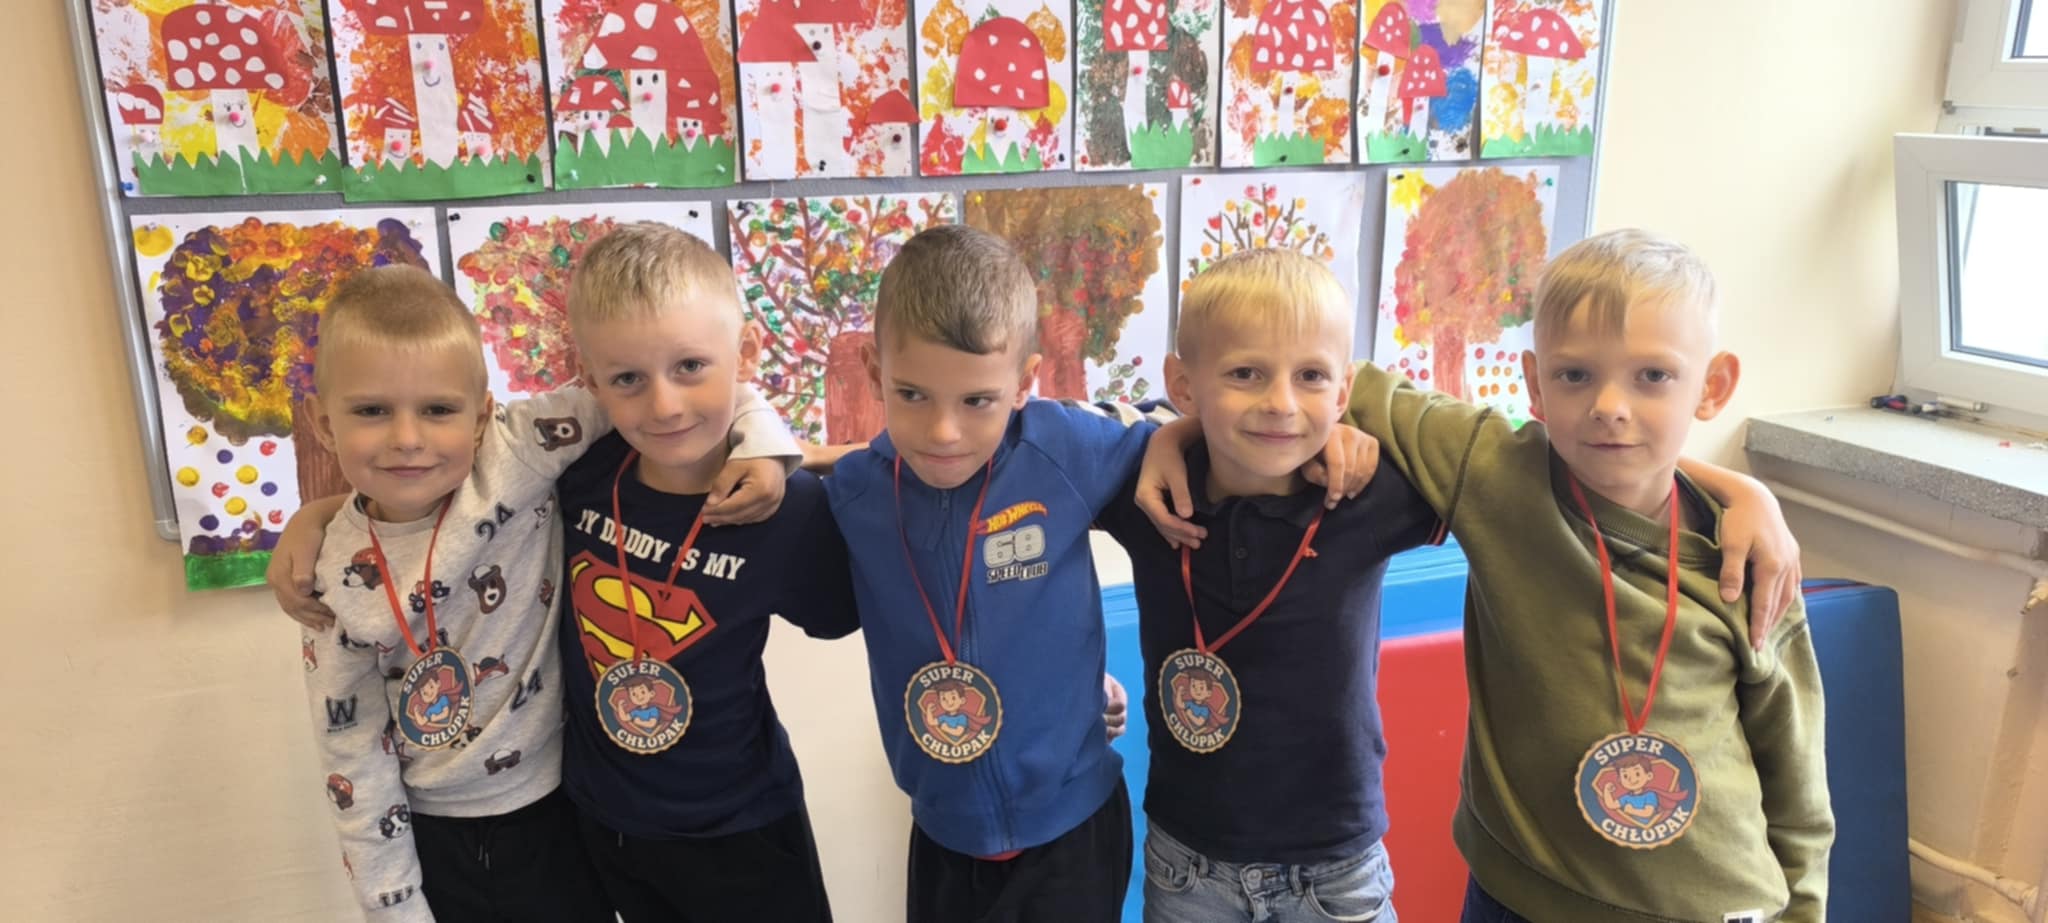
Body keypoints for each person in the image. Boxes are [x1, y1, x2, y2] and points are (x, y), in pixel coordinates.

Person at [1143, 234, 1830, 923]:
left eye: (1652, 375)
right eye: (1574, 375)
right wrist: (1177, 432)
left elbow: (1798, 786)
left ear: (1712, 386)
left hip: (1708, 905)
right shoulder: (1494, 472)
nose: (1610, 406)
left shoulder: (1749, 560)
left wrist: (1746, 491)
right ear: (1534, 383)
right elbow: (1313, 375)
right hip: (1515, 893)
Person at [823, 225, 1375, 922]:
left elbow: (1210, 432)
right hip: (941, 832)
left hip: (1074, 829)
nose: (944, 432)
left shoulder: (1065, 449)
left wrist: (1175, 436)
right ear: (874, 371)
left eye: (977, 400)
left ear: (1024, 382)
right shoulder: (852, 492)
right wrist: (759, 451)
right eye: (912, 394)